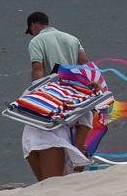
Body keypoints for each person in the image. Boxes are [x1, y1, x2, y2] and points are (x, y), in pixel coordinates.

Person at [24, 12, 94, 183]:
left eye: (31, 29)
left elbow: (38, 69)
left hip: (53, 95)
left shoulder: (37, 41)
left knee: (36, 135)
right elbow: (86, 65)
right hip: (73, 94)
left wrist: (36, 94)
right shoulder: (71, 39)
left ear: (34, 25)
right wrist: (92, 85)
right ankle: (77, 153)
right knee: (84, 120)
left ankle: (73, 157)